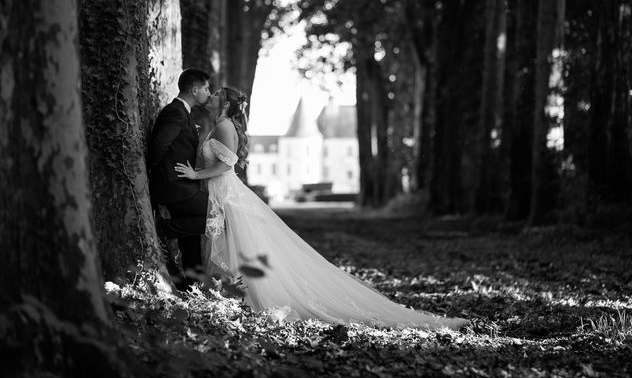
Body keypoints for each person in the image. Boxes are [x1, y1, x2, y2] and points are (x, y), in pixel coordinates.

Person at [175, 86, 469, 330]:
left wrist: (195, 175)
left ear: (225, 104)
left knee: (235, 244)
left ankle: (239, 294)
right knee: (230, 245)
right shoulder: (220, 125)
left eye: (215, 95)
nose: (210, 97)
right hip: (219, 192)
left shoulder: (224, 127)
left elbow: (226, 165)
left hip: (225, 192)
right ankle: (227, 292)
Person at [148, 68, 211, 289]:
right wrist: (151, 177)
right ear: (195, 90)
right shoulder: (175, 112)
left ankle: (192, 286)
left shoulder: (182, 113)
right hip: (172, 185)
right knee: (216, 214)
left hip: (182, 184)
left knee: (191, 240)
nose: (208, 93)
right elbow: (159, 146)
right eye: (206, 88)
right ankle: (163, 229)